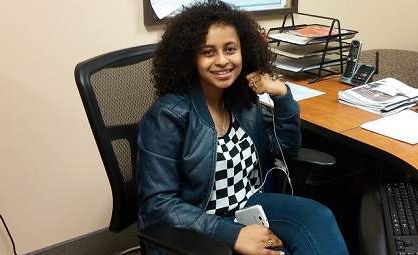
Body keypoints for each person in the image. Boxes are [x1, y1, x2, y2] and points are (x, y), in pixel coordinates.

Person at [135, 1, 349, 254]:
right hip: (197, 223)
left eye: (230, 49)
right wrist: (231, 234)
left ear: (243, 50)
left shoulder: (241, 99)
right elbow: (158, 205)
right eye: (208, 52)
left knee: (318, 216)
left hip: (248, 207)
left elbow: (285, 150)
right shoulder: (168, 116)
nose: (223, 61)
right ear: (190, 57)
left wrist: (282, 97)